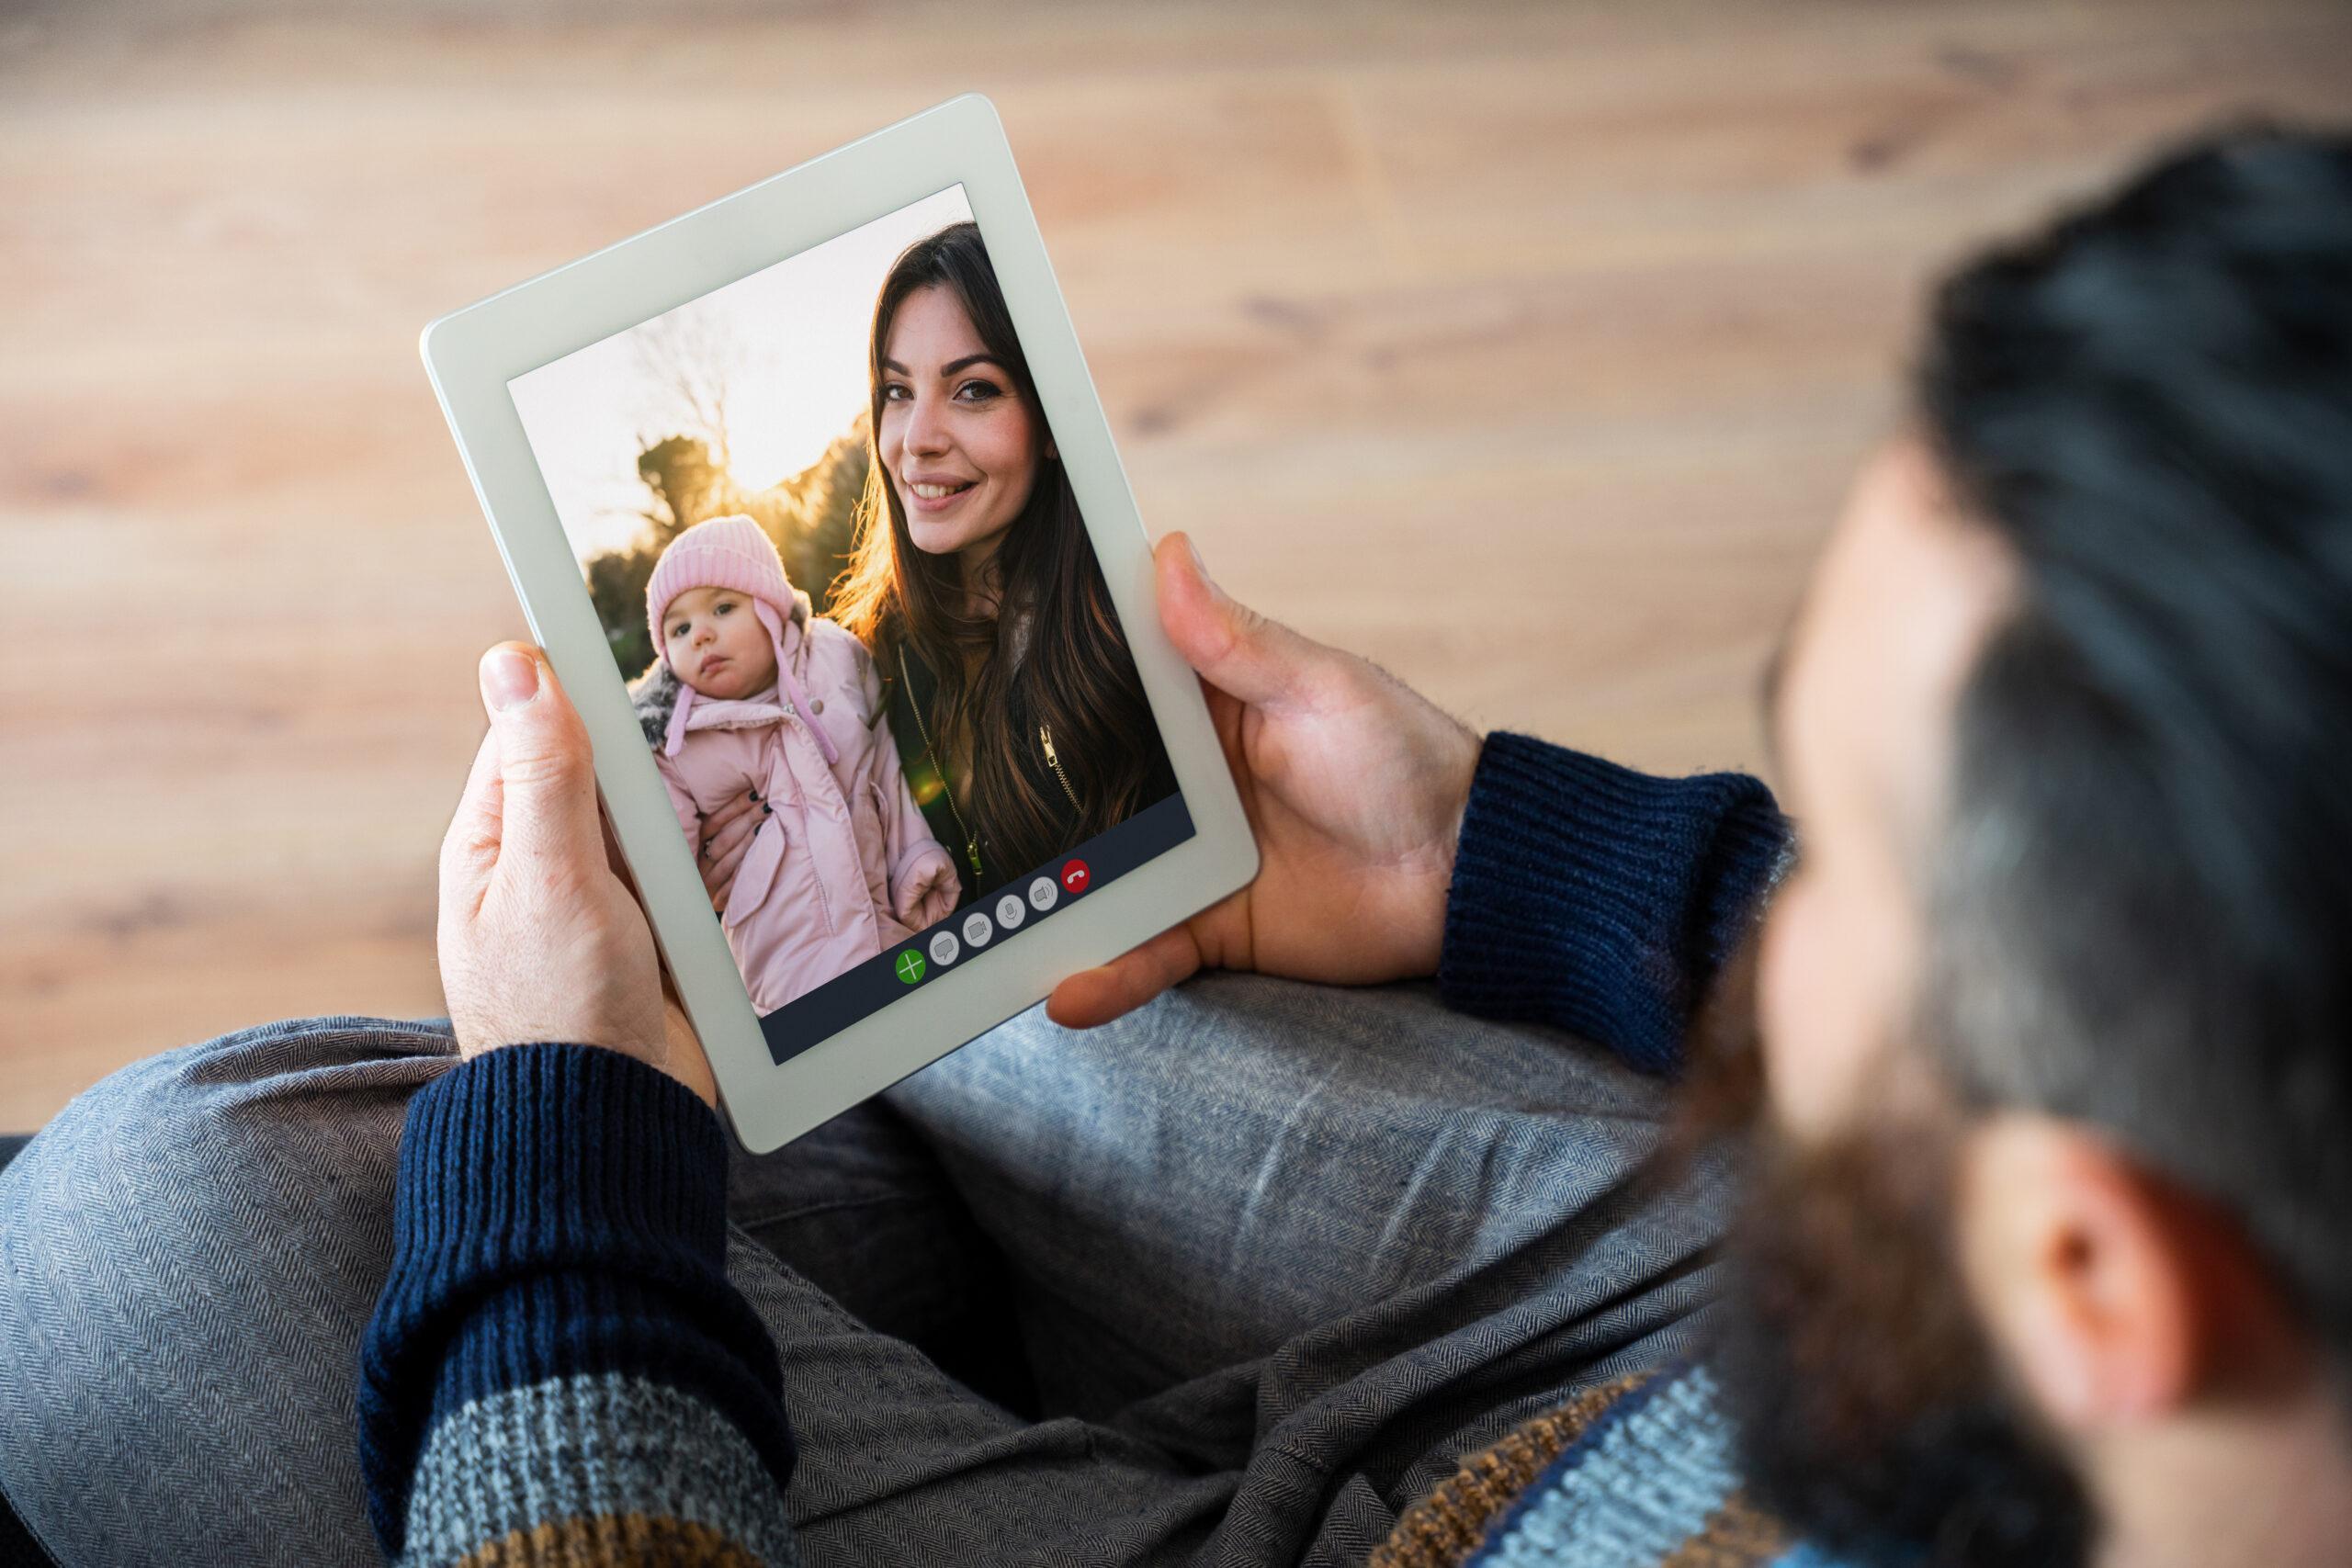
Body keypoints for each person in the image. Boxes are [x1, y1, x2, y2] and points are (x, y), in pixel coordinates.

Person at [4, 125, 2349, 1568]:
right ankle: (936, 1283)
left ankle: (877, 1291)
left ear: (2086, 1263)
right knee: (1019, 940)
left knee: (136, 1241)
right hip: (1728, 1381)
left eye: (1831, 858)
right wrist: (1511, 857)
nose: (1767, 884)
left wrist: (572, 1184)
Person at [630, 513, 960, 1010]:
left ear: (771, 606)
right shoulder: (672, 745)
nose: (700, 634)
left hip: (890, 931)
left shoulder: (834, 659)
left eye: (723, 607)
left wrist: (914, 853)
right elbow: (666, 869)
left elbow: (885, 764)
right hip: (784, 971)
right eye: (679, 627)